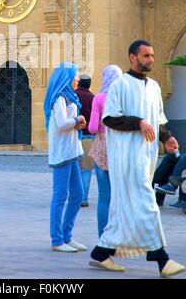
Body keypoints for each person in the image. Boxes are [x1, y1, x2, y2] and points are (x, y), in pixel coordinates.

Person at [89, 40, 186, 277]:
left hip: (146, 157)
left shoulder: (153, 86)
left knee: (124, 209)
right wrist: (138, 123)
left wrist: (166, 137)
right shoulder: (120, 85)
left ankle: (101, 253)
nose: (150, 60)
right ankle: (161, 258)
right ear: (133, 58)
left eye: (152, 56)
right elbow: (110, 119)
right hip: (126, 159)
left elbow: (158, 119)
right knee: (147, 203)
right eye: (145, 56)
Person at [44, 62, 87, 253]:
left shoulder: (70, 96)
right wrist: (77, 120)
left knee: (77, 194)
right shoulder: (59, 98)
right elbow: (61, 123)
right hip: (62, 153)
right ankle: (57, 240)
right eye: (76, 75)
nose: (78, 78)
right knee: (60, 196)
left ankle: (66, 236)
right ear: (67, 78)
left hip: (71, 152)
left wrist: (77, 123)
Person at [88, 65, 123, 238]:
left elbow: (93, 128)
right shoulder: (124, 98)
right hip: (121, 150)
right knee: (120, 195)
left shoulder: (99, 98)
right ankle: (118, 235)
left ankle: (103, 237)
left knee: (104, 196)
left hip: (101, 149)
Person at [75, 74, 95, 207]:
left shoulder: (73, 95)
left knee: (73, 168)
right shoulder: (93, 97)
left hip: (74, 135)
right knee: (86, 169)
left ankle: (73, 197)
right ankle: (84, 199)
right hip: (89, 136)